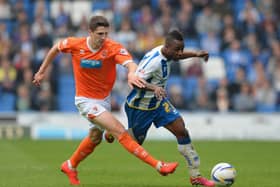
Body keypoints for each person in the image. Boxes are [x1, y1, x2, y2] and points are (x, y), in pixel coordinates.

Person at [32, 15, 178, 185]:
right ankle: (159, 166)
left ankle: (70, 165)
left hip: (104, 100)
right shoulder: (75, 44)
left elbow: (130, 63)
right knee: (119, 130)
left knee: (95, 137)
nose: (103, 38)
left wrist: (131, 72)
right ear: (90, 32)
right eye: (100, 34)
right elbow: (55, 48)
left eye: (106, 34)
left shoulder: (113, 47)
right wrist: (42, 71)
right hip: (85, 101)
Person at [122, 30, 215, 187]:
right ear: (167, 47)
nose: (179, 53)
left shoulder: (169, 53)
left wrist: (196, 54)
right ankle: (112, 130)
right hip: (140, 107)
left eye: (181, 49)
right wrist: (154, 88)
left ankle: (195, 177)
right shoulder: (154, 62)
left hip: (158, 104)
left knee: (181, 130)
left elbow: (179, 56)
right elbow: (134, 82)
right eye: (177, 50)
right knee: (134, 143)